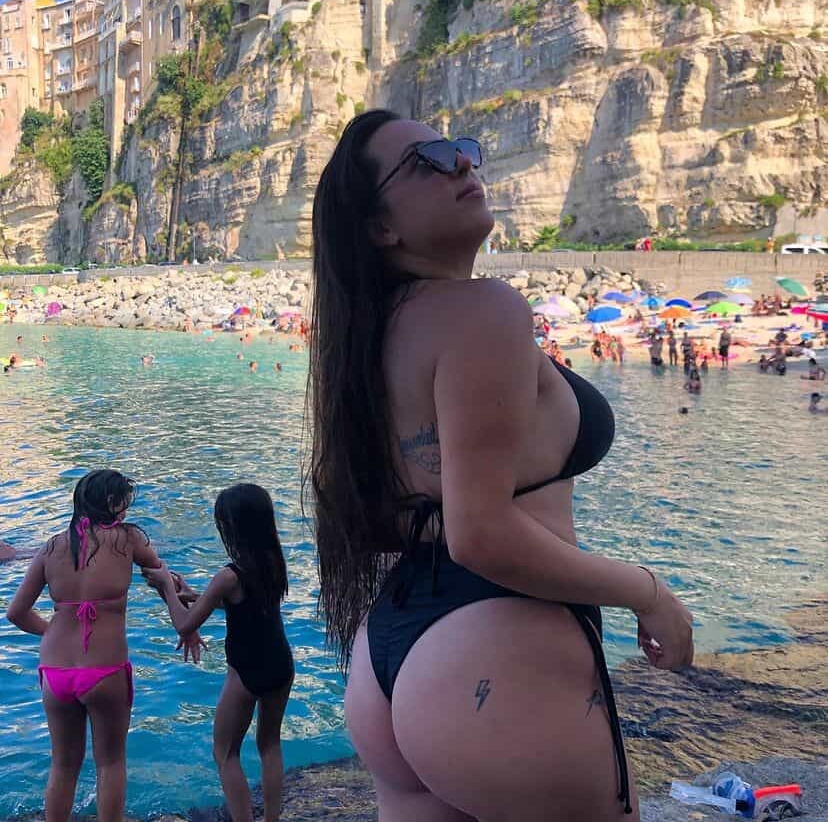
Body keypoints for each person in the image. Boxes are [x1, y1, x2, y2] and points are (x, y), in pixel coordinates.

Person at [304, 111, 693, 822]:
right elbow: (480, 534)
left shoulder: (365, 336)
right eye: (424, 161)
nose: (460, 163)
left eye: (458, 149)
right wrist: (647, 591)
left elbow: (384, 511)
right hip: (495, 644)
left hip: (390, 655)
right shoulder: (482, 310)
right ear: (380, 227)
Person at [4, 470, 202, 822]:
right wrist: (185, 616)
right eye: (123, 502)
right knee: (110, 762)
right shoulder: (128, 539)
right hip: (104, 671)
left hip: (55, 673)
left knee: (63, 765)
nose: (126, 509)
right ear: (111, 503)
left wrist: (52, 631)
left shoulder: (51, 547)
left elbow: (16, 612)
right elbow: (161, 576)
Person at [142, 484, 294, 822]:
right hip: (281, 664)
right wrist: (194, 595)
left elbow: (185, 625)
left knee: (225, 753)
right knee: (270, 745)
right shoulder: (273, 561)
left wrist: (166, 586)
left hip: (246, 670)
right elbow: (243, 607)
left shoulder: (229, 575)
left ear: (232, 527)